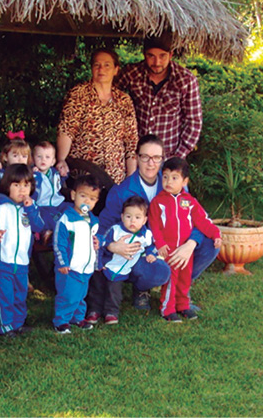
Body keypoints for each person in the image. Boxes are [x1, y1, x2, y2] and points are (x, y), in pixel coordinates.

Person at [97, 134, 174, 311]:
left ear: (162, 159)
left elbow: (194, 216)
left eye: (156, 158)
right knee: (160, 271)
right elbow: (102, 228)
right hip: (139, 251)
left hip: (169, 243)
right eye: (145, 157)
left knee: (208, 244)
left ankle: (179, 289)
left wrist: (191, 243)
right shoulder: (121, 192)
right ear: (136, 158)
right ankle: (141, 287)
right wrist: (110, 246)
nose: (151, 163)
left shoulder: (173, 184)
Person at [149, 157, 222, 322]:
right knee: (171, 280)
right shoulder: (158, 202)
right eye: (165, 177)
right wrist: (160, 244)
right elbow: (154, 226)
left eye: (174, 178)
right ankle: (167, 309)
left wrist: (215, 233)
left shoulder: (189, 202)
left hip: (185, 251)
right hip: (168, 251)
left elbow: (202, 220)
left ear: (185, 181)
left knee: (185, 279)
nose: (168, 181)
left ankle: (183, 305)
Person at [0, 164, 45, 337]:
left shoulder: (31, 207)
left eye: (26, 185)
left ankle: (18, 323)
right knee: (4, 295)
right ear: (7, 185)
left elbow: (38, 226)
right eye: (16, 185)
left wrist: (30, 208)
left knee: (20, 294)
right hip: (2, 261)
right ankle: (5, 326)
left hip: (22, 262)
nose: (22, 190)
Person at [56, 47, 138, 184]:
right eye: (97, 65)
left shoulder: (124, 100)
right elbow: (66, 129)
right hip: (83, 174)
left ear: (116, 70)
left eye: (107, 65)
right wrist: (62, 160)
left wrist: (131, 178)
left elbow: (131, 141)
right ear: (91, 68)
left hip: (114, 177)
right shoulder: (78, 94)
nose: (101, 69)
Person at [115, 35, 203, 159]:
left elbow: (194, 122)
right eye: (151, 56)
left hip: (168, 155)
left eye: (162, 56)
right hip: (135, 155)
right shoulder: (131, 73)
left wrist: (177, 157)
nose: (157, 63)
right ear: (144, 54)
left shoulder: (186, 80)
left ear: (171, 55)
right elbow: (110, 97)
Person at [87, 196, 162, 325]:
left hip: (122, 270)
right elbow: (102, 245)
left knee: (114, 292)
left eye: (137, 217)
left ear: (144, 220)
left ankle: (111, 312)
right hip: (105, 265)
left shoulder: (146, 235)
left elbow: (151, 246)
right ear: (122, 217)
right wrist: (99, 264)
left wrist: (150, 254)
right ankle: (94, 310)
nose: (132, 221)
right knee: (97, 288)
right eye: (128, 216)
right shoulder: (115, 230)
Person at [52, 175, 101, 334]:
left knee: (81, 295)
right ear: (73, 195)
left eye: (92, 199)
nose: (87, 201)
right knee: (68, 295)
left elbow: (96, 239)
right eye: (83, 196)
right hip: (70, 267)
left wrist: (98, 242)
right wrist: (62, 263)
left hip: (86, 267)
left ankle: (77, 317)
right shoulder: (67, 219)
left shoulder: (93, 220)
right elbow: (59, 243)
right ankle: (61, 321)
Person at [33, 141, 68, 234]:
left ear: (53, 162)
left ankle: (69, 230)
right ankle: (49, 233)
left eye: (47, 157)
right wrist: (35, 177)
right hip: (42, 205)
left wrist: (64, 175)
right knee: (47, 217)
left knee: (69, 210)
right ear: (33, 159)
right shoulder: (33, 175)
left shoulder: (54, 173)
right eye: (39, 156)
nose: (43, 160)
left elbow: (58, 185)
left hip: (58, 203)